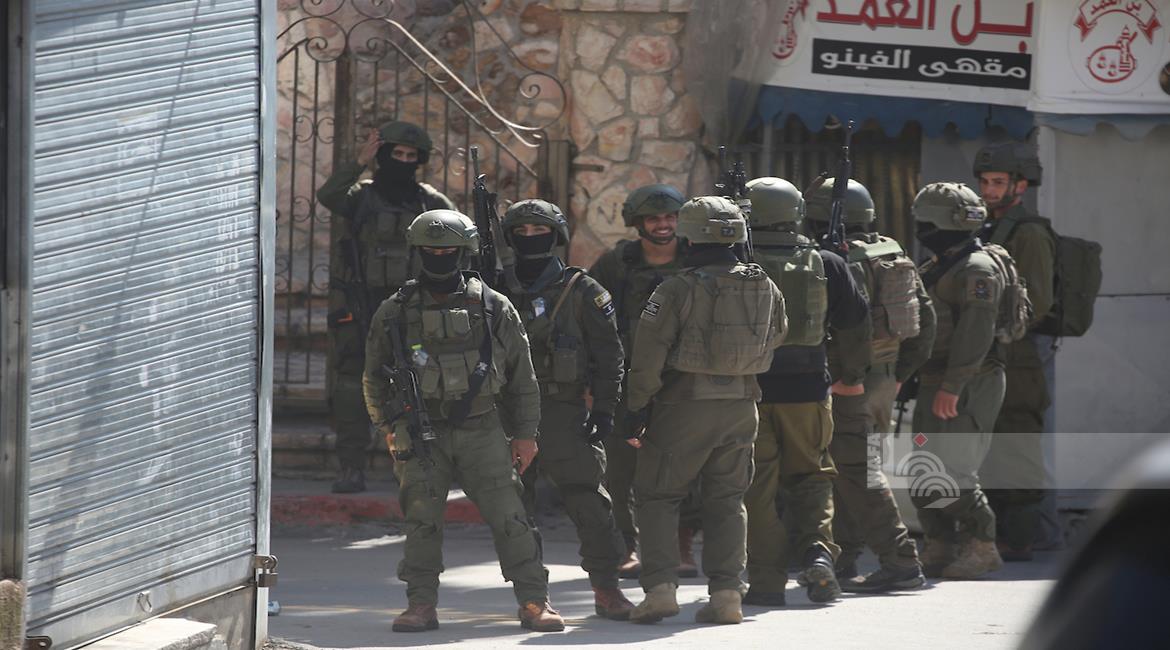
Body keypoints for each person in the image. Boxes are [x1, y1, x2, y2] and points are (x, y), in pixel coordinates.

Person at [362, 209, 563, 632]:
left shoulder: (493, 307)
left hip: (482, 428)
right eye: (431, 250)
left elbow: (523, 379)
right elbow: (373, 376)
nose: (439, 257)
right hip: (420, 431)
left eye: (448, 250)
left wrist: (525, 434)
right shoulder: (395, 311)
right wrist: (386, 427)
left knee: (511, 518)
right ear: (417, 252)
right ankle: (421, 604)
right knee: (422, 521)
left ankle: (533, 600)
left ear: (464, 251)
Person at [623, 196, 787, 625]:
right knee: (728, 500)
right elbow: (778, 334)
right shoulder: (764, 284)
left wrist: (637, 407)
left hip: (684, 407)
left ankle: (660, 590)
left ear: (690, 236)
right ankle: (727, 594)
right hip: (742, 406)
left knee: (658, 495)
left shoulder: (676, 288)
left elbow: (648, 354)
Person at [498, 199, 635, 620]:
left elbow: (610, 356)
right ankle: (532, 596)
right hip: (506, 411)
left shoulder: (583, 291)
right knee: (513, 509)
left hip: (562, 409)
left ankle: (606, 587)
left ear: (556, 236)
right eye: (520, 233)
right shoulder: (493, 288)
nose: (530, 239)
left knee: (589, 500)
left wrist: (605, 410)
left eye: (539, 231)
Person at [739, 177, 869, 607]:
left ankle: (766, 582)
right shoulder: (826, 261)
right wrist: (850, 375)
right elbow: (855, 321)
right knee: (812, 476)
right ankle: (818, 554)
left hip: (750, 391)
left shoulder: (736, 260)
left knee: (757, 486)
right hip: (809, 390)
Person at [804, 178, 936, 593]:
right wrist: (898, 374)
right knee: (848, 467)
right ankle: (843, 555)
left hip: (850, 381)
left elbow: (851, 328)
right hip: (882, 377)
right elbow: (926, 322)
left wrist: (850, 378)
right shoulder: (892, 253)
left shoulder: (837, 260)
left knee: (857, 471)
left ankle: (900, 561)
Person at [318, 120, 456, 493]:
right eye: (397, 154)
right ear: (383, 155)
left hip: (412, 311)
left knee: (419, 385)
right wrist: (359, 162)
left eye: (411, 156)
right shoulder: (361, 196)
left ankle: (420, 468)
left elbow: (460, 238)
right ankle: (351, 466)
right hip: (361, 307)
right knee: (352, 387)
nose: (404, 162)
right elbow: (329, 194)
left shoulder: (430, 202)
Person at [588, 184, 701, 579]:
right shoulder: (616, 263)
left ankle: (681, 545)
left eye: (670, 217)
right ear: (638, 223)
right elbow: (592, 320)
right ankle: (627, 546)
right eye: (654, 218)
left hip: (683, 380)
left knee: (683, 467)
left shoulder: (697, 259)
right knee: (621, 469)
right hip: (628, 379)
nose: (663, 225)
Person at [910, 182, 1006, 580]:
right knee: (923, 466)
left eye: (925, 223)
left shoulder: (976, 270)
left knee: (954, 469)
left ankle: (982, 544)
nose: (921, 230)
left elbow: (976, 333)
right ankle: (940, 543)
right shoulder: (944, 264)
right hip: (937, 379)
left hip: (968, 382)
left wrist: (953, 386)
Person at [973, 142, 1057, 562]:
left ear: (1019, 186)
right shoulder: (984, 229)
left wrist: (994, 324)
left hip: (1018, 355)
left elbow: (1037, 302)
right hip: (987, 354)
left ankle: (1020, 538)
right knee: (987, 447)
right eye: (985, 182)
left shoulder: (1029, 233)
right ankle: (993, 534)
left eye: (998, 182)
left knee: (1017, 445)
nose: (989, 190)